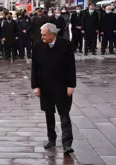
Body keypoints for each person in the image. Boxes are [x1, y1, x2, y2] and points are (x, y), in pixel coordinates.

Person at [31, 23, 76, 155]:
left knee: (64, 114)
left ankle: (67, 143)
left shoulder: (65, 45)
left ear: (52, 34)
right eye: (42, 34)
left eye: (44, 35)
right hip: (45, 86)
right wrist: (35, 86)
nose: (42, 37)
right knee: (48, 113)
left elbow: (71, 66)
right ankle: (51, 138)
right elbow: (35, 67)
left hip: (62, 86)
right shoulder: (38, 46)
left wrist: (71, 85)